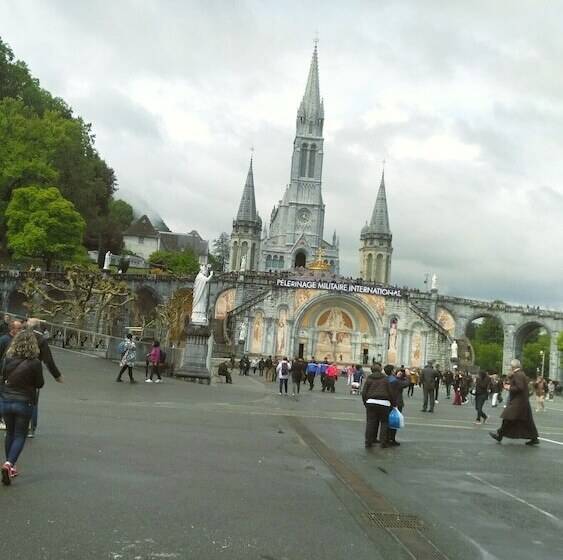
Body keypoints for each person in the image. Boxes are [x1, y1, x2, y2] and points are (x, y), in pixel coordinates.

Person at [0, 329, 44, 485]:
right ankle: (9, 464)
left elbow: (2, 377)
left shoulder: (7, 359)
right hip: (24, 402)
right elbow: (40, 383)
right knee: (20, 435)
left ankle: (9, 464)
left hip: (6, 400)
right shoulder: (35, 363)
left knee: (10, 433)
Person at [489, 359, 539, 445]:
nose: (509, 368)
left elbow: (520, 387)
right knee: (526, 421)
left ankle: (499, 435)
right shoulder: (520, 374)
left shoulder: (518, 375)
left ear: (513, 367)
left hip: (518, 402)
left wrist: (509, 388)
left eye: (510, 366)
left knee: (508, 417)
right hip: (522, 401)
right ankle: (534, 438)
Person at [362, 364, 396, 449]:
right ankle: (383, 442)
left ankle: (368, 442)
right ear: (380, 370)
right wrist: (393, 403)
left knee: (370, 422)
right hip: (384, 403)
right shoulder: (385, 379)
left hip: (371, 402)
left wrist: (365, 402)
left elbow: (364, 392)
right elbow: (390, 392)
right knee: (384, 423)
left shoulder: (369, 378)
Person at [387, 365, 408, 446]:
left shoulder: (388, 378)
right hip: (397, 402)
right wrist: (408, 375)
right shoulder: (395, 380)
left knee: (387, 421)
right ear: (392, 371)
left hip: (388, 402)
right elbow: (405, 384)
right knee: (394, 422)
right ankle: (391, 439)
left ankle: (387, 438)